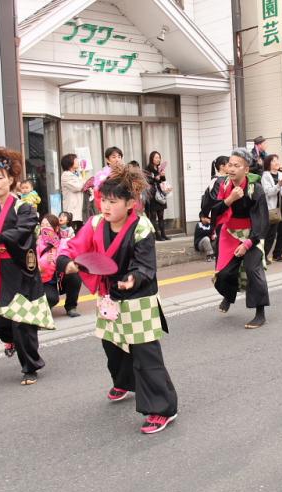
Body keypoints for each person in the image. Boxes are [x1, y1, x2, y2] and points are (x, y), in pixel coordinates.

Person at [57, 164, 178, 434]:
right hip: (109, 294)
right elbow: (76, 245)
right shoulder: (97, 222)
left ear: (131, 203)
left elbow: (145, 264)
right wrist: (65, 259)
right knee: (112, 344)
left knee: (145, 354)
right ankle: (124, 382)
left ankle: (163, 408)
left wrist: (133, 278)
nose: (106, 206)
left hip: (138, 297)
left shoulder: (142, 227)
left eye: (113, 202)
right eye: (103, 200)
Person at [0, 147, 54, 385]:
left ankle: (30, 367)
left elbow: (24, 229)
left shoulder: (23, 207)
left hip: (20, 268)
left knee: (21, 321)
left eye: (0, 177)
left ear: (12, 179)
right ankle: (11, 340)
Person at [211, 147, 270, 329]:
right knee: (224, 274)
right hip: (229, 233)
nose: (232, 168)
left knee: (253, 271)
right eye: (230, 164)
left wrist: (249, 242)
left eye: (237, 165)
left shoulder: (255, 189)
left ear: (246, 169)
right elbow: (212, 211)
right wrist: (229, 199)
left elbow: (262, 220)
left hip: (252, 234)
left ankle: (260, 313)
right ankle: (229, 295)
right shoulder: (221, 185)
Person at [37, 214, 82, 317]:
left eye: (47, 225)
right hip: (45, 281)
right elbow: (33, 263)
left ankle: (71, 307)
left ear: (56, 228)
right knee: (52, 298)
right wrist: (44, 261)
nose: (44, 227)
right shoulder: (37, 242)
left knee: (74, 276)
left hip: (60, 279)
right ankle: (42, 307)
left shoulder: (63, 242)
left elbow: (68, 256)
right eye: (42, 225)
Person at [261, 154, 282, 262]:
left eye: (277, 160)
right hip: (272, 209)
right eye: (274, 161)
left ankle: (277, 254)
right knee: (271, 234)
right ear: (269, 164)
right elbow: (268, 192)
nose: (277, 162)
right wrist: (278, 186)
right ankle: (263, 256)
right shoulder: (266, 176)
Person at [145, 150, 170, 241]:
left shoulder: (160, 169)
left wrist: (163, 176)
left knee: (161, 215)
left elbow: (163, 182)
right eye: (156, 157)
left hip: (160, 194)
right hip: (152, 195)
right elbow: (147, 181)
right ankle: (156, 235)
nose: (158, 159)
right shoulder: (148, 169)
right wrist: (155, 178)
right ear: (152, 158)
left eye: (159, 157)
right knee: (153, 216)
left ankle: (163, 234)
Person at [60, 153, 86, 224]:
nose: (78, 162)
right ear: (69, 163)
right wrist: (86, 182)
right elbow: (78, 187)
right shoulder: (66, 175)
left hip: (80, 210)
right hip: (72, 211)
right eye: (76, 160)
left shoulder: (77, 174)